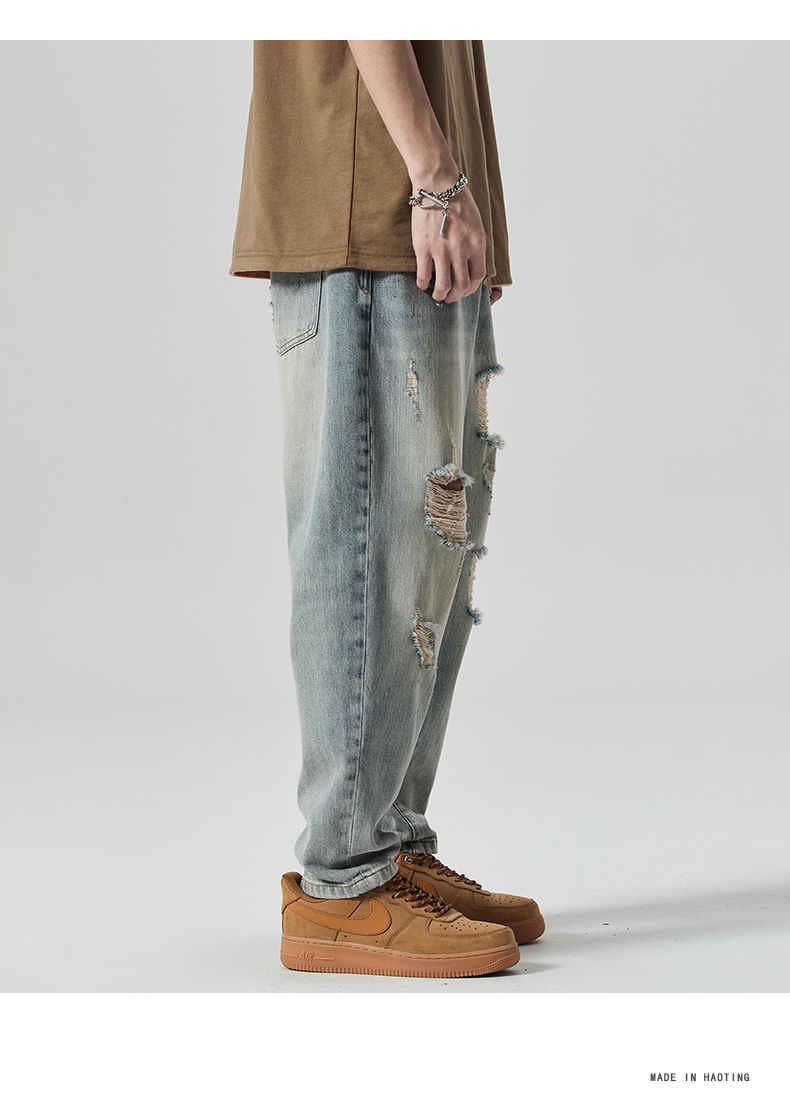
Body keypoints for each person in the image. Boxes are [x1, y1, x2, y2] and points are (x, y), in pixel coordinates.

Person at [230, 40, 544, 978]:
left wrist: (462, 198)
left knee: (426, 556)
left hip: (407, 211)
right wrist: (437, 181)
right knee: (367, 543)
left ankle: (391, 843)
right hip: (373, 205)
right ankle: (345, 876)